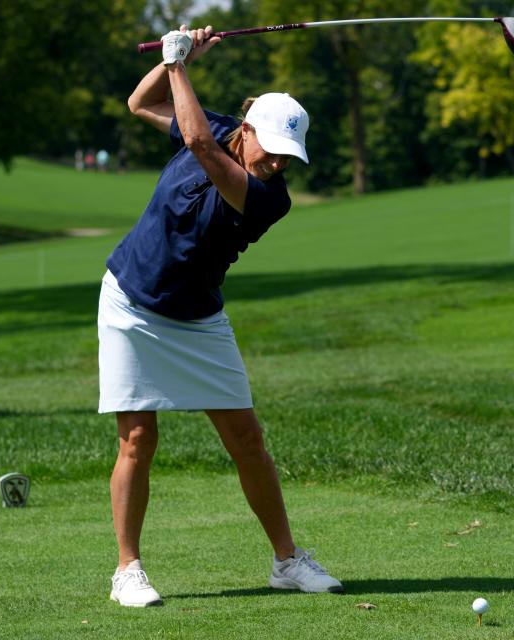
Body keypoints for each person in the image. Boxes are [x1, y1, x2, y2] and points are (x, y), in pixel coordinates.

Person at [98, 25, 342, 608]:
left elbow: (201, 146)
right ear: (248, 129)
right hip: (132, 303)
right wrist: (172, 61)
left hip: (199, 318)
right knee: (137, 439)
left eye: (289, 158)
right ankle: (127, 571)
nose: (280, 164)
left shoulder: (265, 197)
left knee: (247, 439)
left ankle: (287, 561)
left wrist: (181, 65)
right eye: (273, 150)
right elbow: (141, 104)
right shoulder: (217, 131)